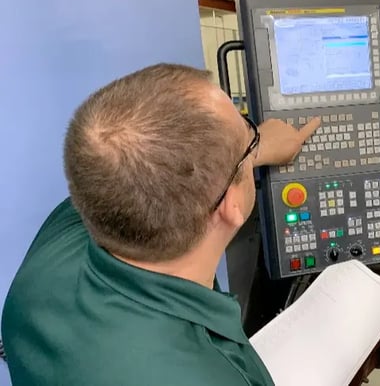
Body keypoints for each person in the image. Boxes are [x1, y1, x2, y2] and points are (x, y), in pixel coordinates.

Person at [1, 63, 320, 385]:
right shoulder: (213, 373)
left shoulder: (64, 236)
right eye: (249, 134)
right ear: (231, 205)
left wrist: (251, 151)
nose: (254, 141)